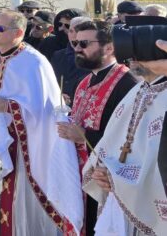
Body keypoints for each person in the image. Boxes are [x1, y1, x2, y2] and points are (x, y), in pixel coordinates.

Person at [0, 9, 80, 235]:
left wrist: (9, 107)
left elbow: (44, 113)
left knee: (17, 206)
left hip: (23, 150)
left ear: (18, 32)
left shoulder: (35, 63)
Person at [55, 20, 136, 236]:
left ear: (108, 47)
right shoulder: (85, 81)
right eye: (75, 43)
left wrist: (84, 136)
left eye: (84, 43)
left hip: (105, 180)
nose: (77, 49)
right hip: (78, 175)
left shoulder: (128, 84)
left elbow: (130, 140)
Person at [82, 39, 167, 235]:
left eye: (138, 56)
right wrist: (100, 170)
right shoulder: (138, 89)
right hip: (120, 202)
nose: (131, 62)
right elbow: (111, 141)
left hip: (149, 205)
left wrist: (117, 179)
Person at [51, 15, 92, 103]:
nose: (74, 35)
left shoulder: (94, 57)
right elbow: (50, 82)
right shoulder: (58, 55)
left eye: (79, 31)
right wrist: (58, 95)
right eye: (71, 31)